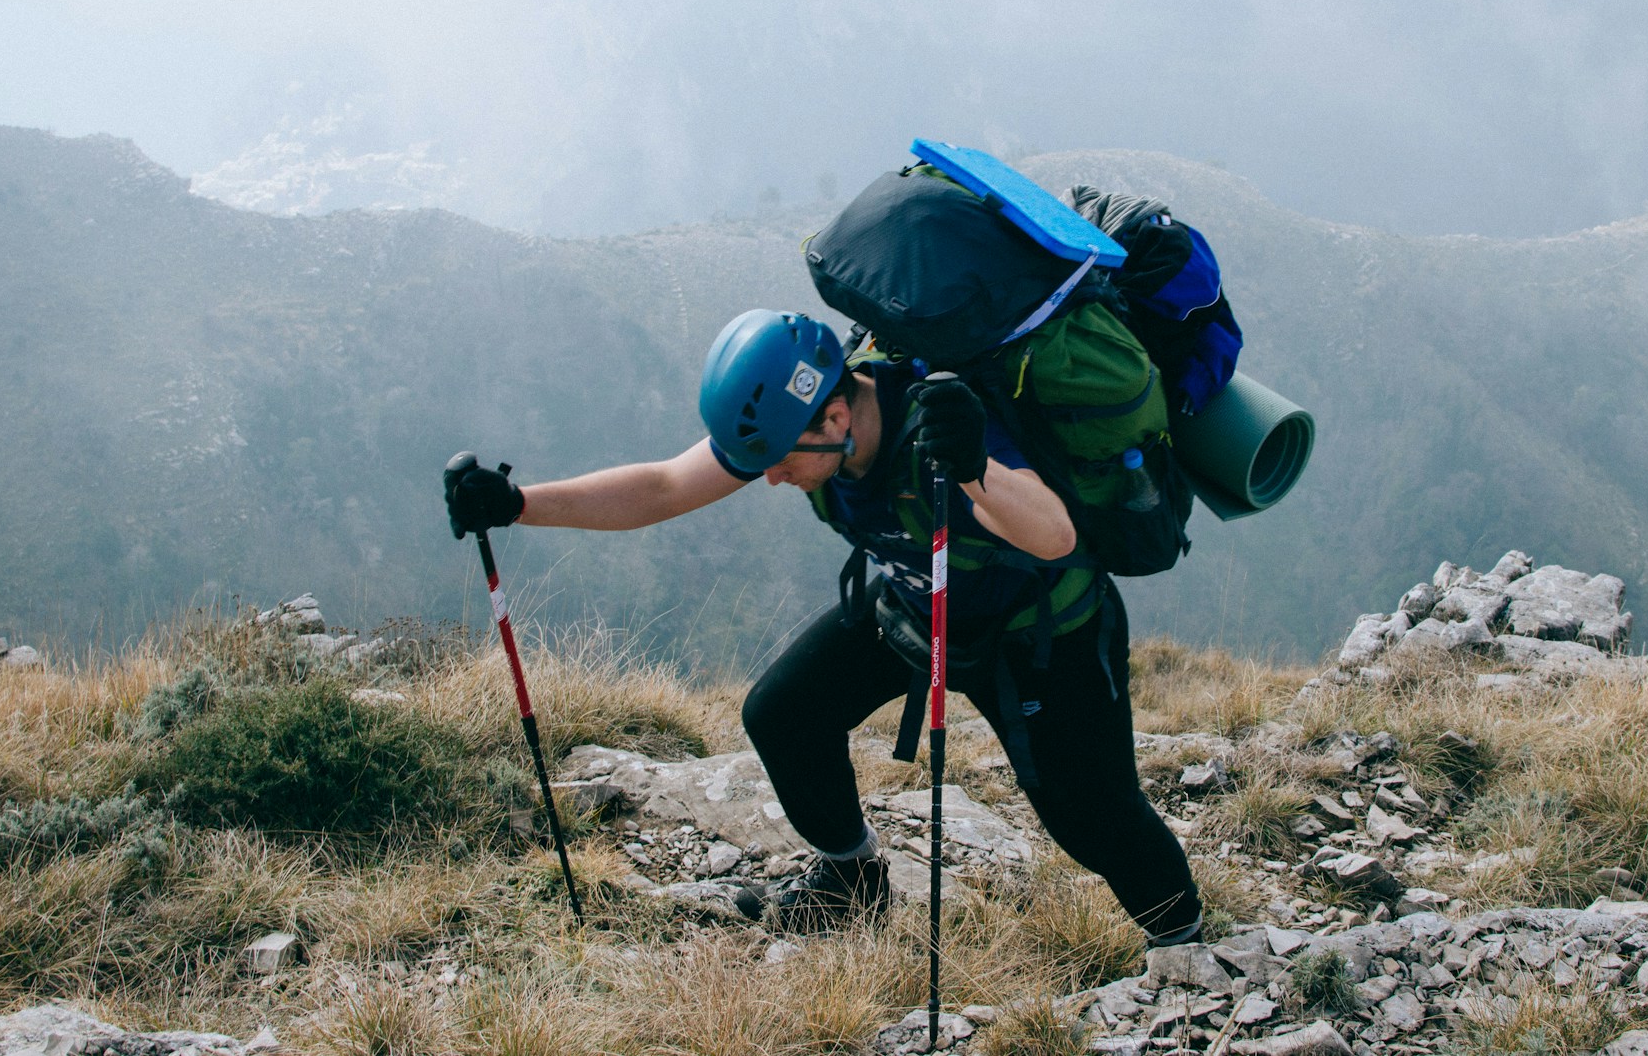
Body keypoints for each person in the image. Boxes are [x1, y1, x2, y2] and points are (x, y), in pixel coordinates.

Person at [444, 308, 1202, 945]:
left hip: (1043, 636)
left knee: (1095, 821)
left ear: (836, 416)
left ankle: (1186, 945)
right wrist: (518, 504)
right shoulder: (795, 423)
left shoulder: (943, 424)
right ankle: (853, 883)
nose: (769, 476)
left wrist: (971, 466)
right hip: (918, 607)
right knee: (784, 713)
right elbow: (665, 486)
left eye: (777, 461)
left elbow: (1054, 536)